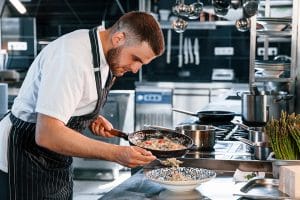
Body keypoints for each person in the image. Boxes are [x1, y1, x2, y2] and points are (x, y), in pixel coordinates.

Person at [0, 11, 165, 199]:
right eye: (135, 58)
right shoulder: (72, 58)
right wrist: (116, 153)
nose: (135, 69)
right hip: (22, 159)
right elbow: (47, 134)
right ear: (119, 38)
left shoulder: (104, 52)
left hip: (53, 161)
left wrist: (88, 115)